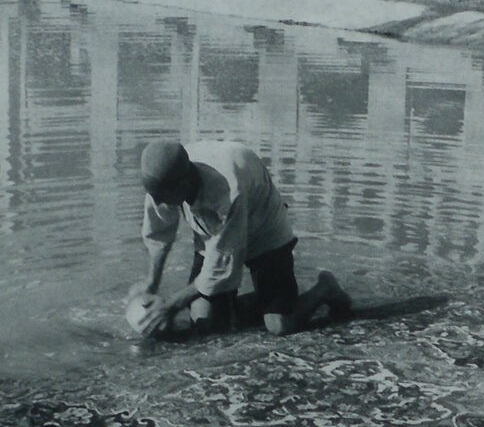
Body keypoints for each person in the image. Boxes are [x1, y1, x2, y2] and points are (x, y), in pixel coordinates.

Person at [132, 139, 350, 338]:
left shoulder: (228, 188)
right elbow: (159, 234)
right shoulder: (161, 178)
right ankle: (234, 309)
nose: (157, 202)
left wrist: (170, 306)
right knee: (205, 324)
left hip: (264, 229)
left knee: (279, 325)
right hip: (213, 230)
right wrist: (152, 283)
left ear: (183, 185)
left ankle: (324, 288)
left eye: (162, 198)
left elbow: (220, 267)